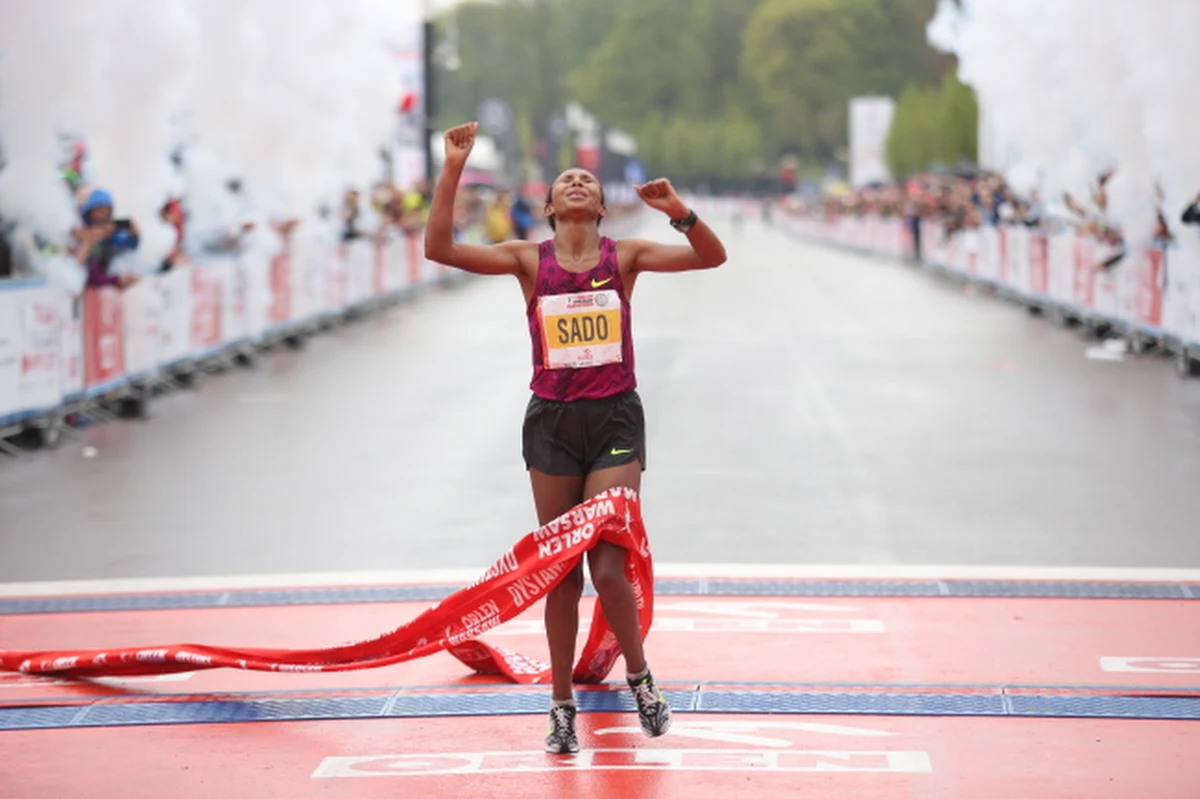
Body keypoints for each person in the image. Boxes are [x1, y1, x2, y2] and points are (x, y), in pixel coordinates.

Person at [425, 121, 727, 755]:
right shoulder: (527, 260)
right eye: (566, 179)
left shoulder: (628, 256)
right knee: (561, 575)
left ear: (601, 205)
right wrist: (452, 168)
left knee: (609, 568)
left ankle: (640, 677)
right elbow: (440, 249)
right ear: (550, 207)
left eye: (587, 179)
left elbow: (711, 257)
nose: (578, 181)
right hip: (553, 425)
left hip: (615, 420)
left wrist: (678, 211)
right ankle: (560, 705)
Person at [72, 188, 140, 288]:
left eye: (106, 212)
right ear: (90, 212)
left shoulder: (108, 232)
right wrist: (117, 279)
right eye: (99, 211)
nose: (102, 216)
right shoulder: (80, 231)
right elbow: (87, 273)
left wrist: (134, 235)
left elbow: (128, 245)